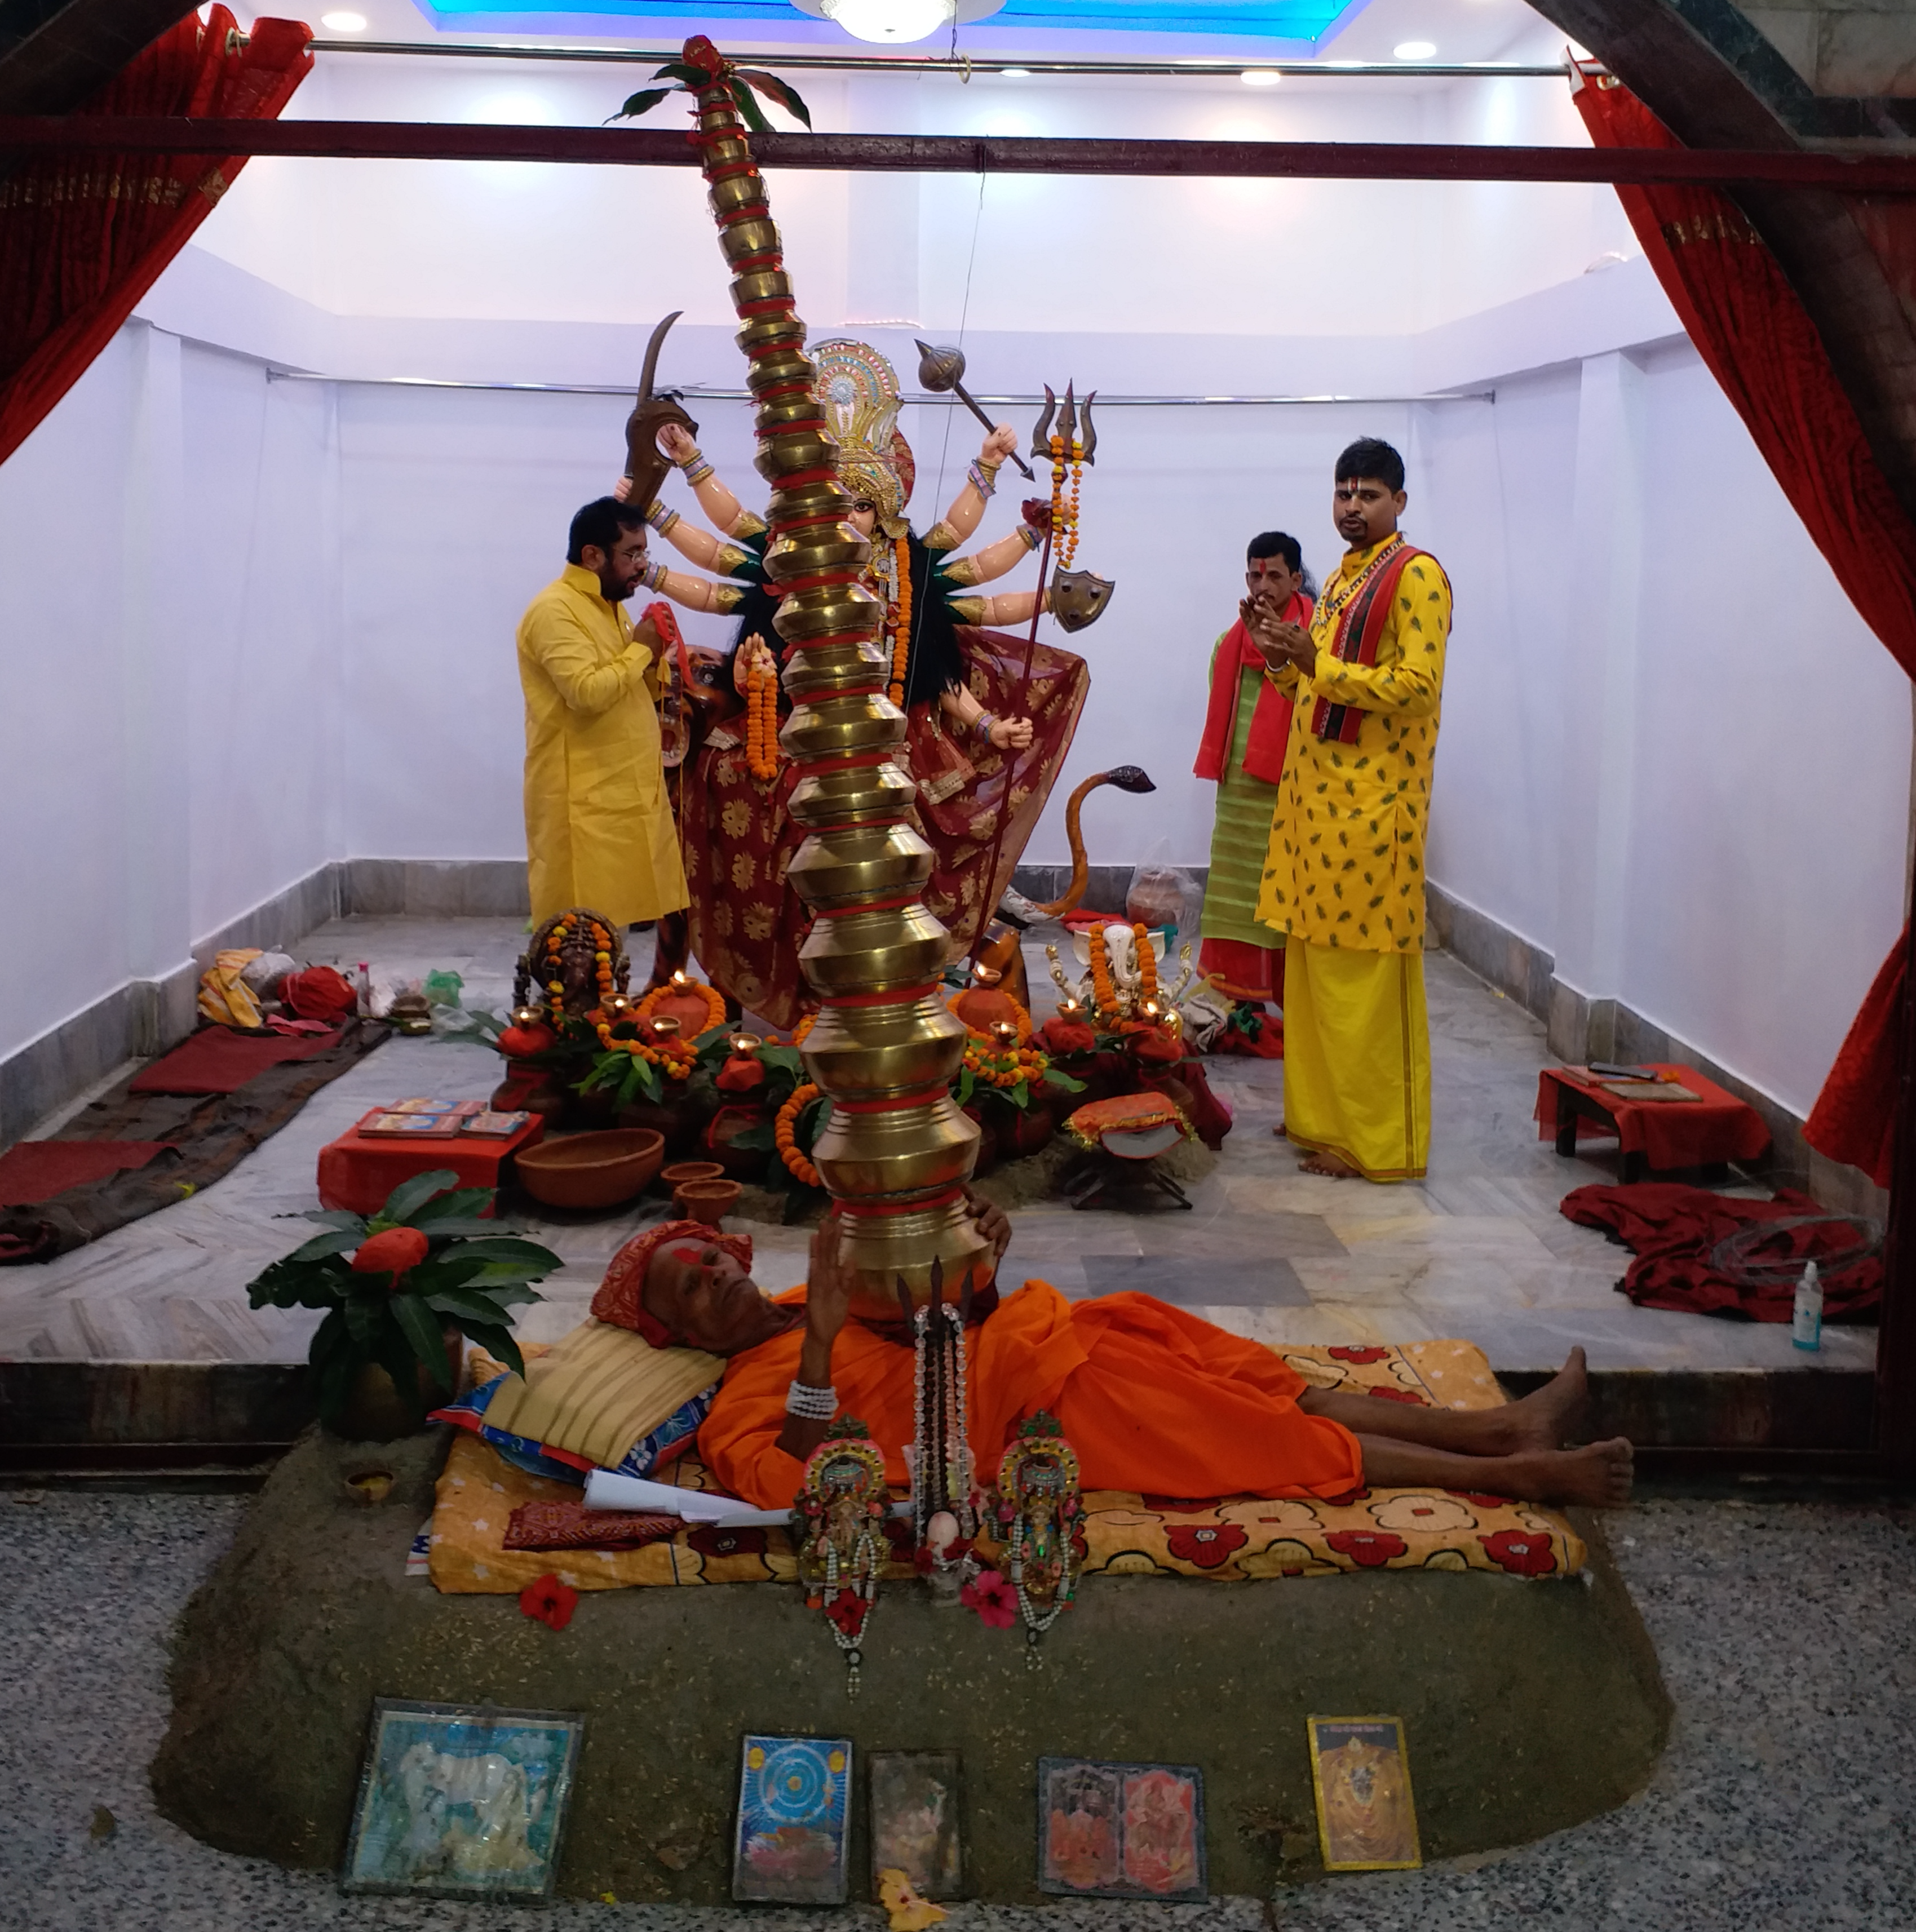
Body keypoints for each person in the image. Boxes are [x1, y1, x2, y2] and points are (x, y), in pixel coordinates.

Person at [590, 1200, 1634, 1514]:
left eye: (706, 1259)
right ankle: (1516, 1473)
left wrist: (981, 1274)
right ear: (677, 1332)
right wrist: (819, 1335)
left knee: (1199, 1351)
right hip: (1017, 1417)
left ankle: (1493, 1422)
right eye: (688, 1286)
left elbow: (929, 1332)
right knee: (1258, 1432)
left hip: (1028, 1347)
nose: (714, 1278)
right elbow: (792, 1480)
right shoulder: (740, 1391)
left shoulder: (784, 1296)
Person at [628, 339, 1095, 1027]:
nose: (847, 517)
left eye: (862, 506)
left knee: (905, 850)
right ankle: (754, 977)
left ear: (885, 512)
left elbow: (943, 666)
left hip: (894, 749)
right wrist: (675, 497)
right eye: (834, 502)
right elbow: (717, 562)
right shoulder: (783, 556)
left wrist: (989, 726)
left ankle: (901, 987)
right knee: (722, 789)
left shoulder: (911, 567)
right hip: (791, 743)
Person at [1246, 438, 1451, 1182]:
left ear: (1398, 501)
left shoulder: (1415, 576)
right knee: (1312, 973)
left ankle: (1378, 1147)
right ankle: (1323, 1121)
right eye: (1341, 494)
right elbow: (1313, 690)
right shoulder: (1338, 580)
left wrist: (1313, 662)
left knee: (1363, 985)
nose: (1351, 508)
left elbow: (1413, 685)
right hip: (1315, 813)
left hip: (1371, 811)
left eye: (1366, 496)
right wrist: (1278, 654)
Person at [516, 498, 701, 930]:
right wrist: (641, 648)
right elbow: (586, 692)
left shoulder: (609, 604)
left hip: (619, 794)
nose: (641, 566)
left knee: (613, 928)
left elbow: (625, 686)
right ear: (592, 555)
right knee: (579, 936)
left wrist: (658, 661)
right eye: (632, 554)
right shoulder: (554, 610)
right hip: (578, 803)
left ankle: (613, 1000)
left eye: (644, 553)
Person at [1193, 531, 1313, 1023]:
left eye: (1274, 575)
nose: (1262, 585)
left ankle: (1291, 998)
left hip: (1294, 790)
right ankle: (1233, 992)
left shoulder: (1313, 638)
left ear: (1296, 579)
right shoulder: (1230, 642)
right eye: (1254, 575)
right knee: (1234, 887)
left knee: (1285, 892)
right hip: (1239, 790)